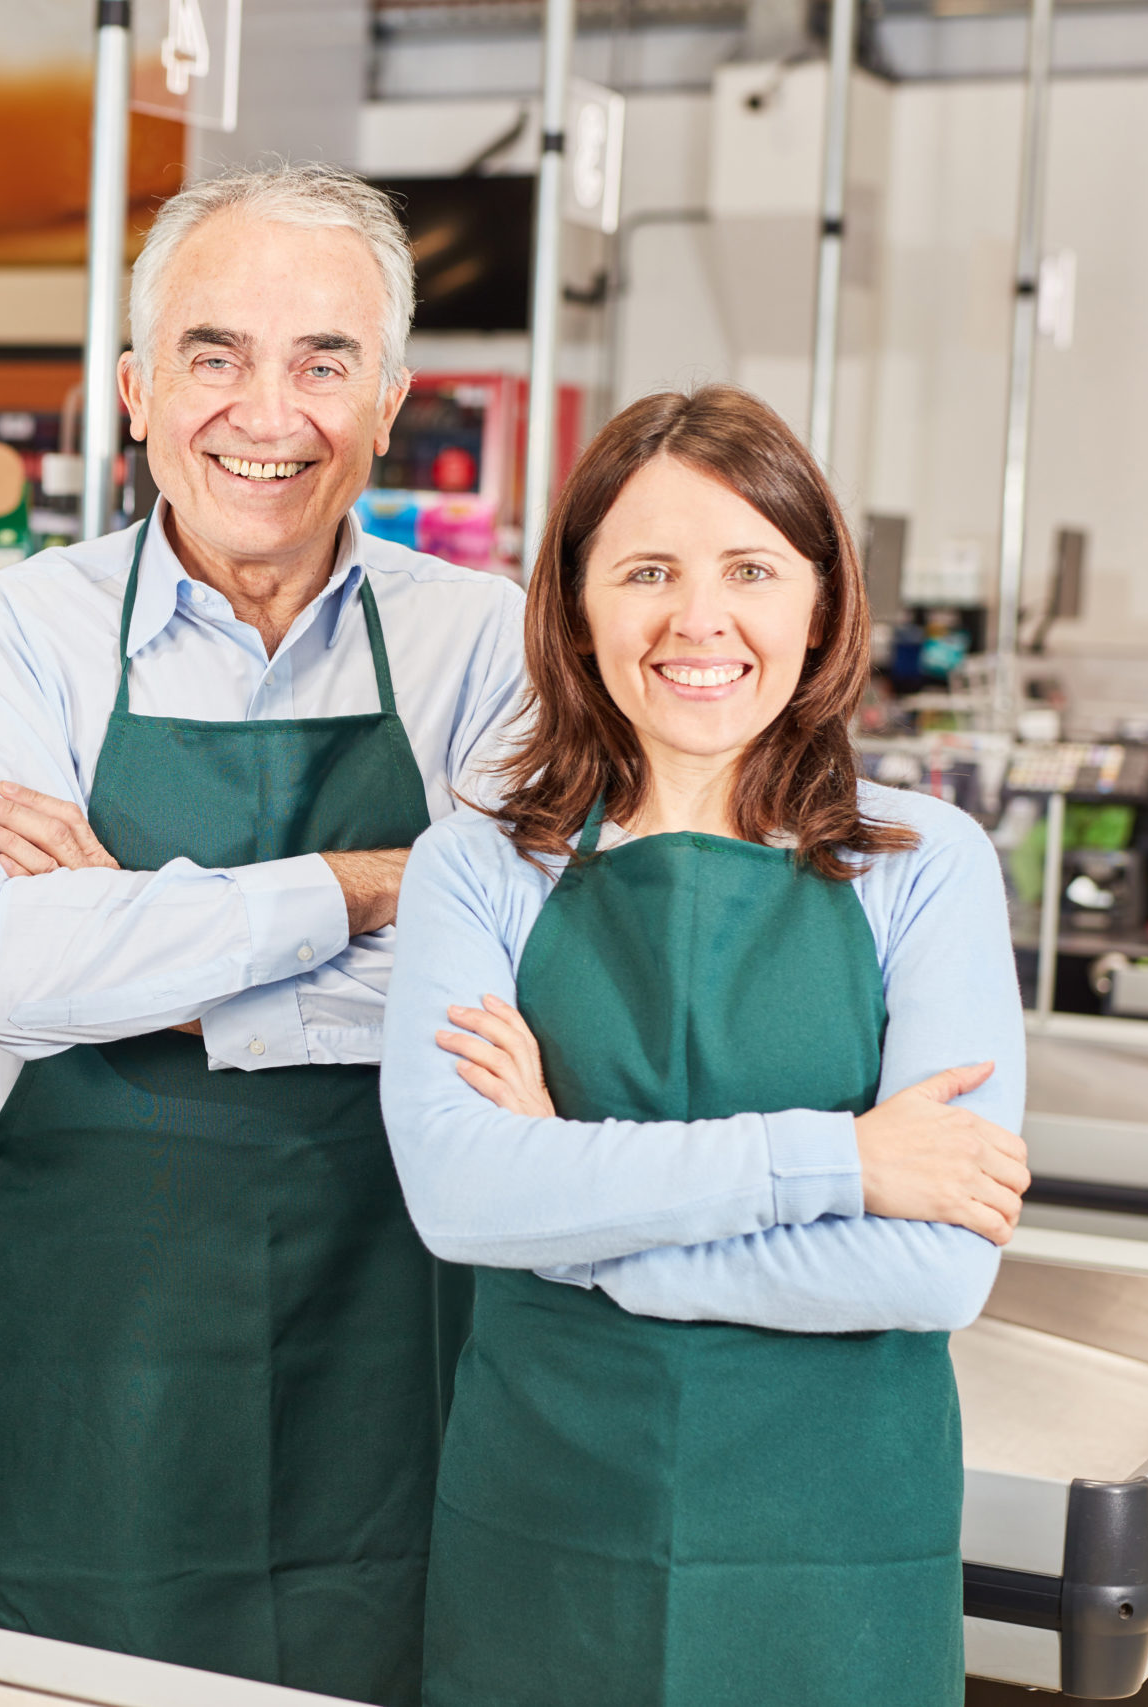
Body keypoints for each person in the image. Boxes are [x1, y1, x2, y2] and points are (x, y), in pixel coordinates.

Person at [0, 164, 526, 1704]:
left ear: (391, 402)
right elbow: (3, 965)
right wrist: (374, 881)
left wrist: (155, 950)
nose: (271, 409)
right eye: (216, 354)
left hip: (393, 1328)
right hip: (94, 1350)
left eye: (327, 360)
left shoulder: (491, 641)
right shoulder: (12, 631)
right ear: (134, 390)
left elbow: (515, 985)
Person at [382, 385, 1030, 1707]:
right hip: (551, 1525)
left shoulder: (923, 865)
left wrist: (575, 1206)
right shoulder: (476, 865)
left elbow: (935, 1263)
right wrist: (841, 1156)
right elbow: (458, 1194)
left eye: (749, 568)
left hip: (833, 1545)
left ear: (818, 604)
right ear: (574, 608)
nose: (700, 618)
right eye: (647, 571)